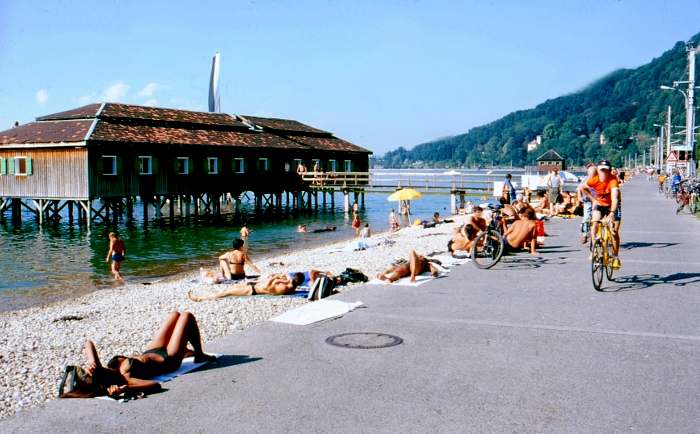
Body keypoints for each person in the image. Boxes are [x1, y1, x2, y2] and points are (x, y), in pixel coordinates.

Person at [59, 311, 215, 398]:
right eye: (86, 373)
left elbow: (88, 343)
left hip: (151, 351)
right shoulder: (124, 379)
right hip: (169, 359)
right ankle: (198, 354)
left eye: (85, 370)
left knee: (175, 314)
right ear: (95, 380)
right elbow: (155, 385)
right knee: (186, 317)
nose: (87, 369)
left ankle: (186, 350)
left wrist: (93, 361)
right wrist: (125, 389)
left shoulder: (104, 368)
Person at [580, 160, 621, 268]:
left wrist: (612, 213)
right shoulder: (594, 179)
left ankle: (615, 257)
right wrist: (593, 199)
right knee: (594, 223)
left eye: (606, 170)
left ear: (609, 171)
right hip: (600, 204)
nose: (604, 172)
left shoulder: (613, 180)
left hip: (613, 205)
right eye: (601, 170)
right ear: (598, 170)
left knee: (613, 232)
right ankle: (595, 248)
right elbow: (582, 188)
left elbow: (615, 198)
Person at [188, 273, 306, 300]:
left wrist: (275, 278)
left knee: (225, 293)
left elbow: (267, 287)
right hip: (253, 286)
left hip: (252, 290)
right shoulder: (290, 286)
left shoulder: (284, 287)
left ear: (293, 278)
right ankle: (202, 296)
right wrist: (281, 278)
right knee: (227, 290)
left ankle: (199, 298)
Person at [577, 164, 597, 244]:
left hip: (598, 200)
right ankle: (585, 235)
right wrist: (579, 197)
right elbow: (579, 188)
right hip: (588, 200)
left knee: (598, 217)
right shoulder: (585, 179)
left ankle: (597, 233)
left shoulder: (599, 179)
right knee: (586, 217)